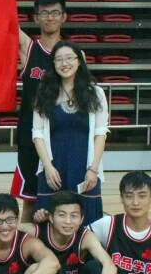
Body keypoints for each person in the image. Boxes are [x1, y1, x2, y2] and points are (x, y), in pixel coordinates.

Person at [33, 40, 107, 227]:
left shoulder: (96, 93)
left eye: (69, 58)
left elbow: (100, 133)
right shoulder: (44, 92)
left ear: (79, 61)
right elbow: (37, 133)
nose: (64, 64)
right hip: (53, 168)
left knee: (88, 222)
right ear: (53, 64)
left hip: (85, 168)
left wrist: (93, 169)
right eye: (58, 60)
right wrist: (48, 167)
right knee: (50, 220)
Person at [12, 0, 64, 223]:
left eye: (55, 13)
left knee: (64, 199)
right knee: (30, 202)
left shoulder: (73, 55)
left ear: (64, 17)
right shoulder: (29, 49)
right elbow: (6, 21)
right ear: (36, 18)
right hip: (31, 135)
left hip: (62, 135)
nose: (49, 17)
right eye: (44, 13)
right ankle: (25, 244)